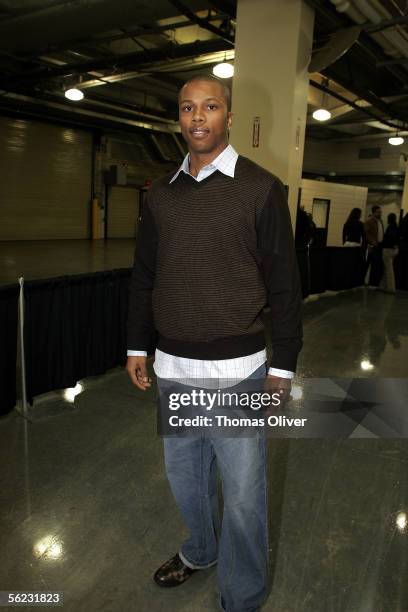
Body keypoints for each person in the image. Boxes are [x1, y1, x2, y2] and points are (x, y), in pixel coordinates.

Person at [126, 74, 303, 612]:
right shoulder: (160, 194)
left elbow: (285, 284)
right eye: (187, 108)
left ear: (229, 117)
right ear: (178, 119)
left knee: (246, 498)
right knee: (187, 482)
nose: (197, 117)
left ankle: (242, 599)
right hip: (174, 367)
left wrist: (285, 365)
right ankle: (200, 551)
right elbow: (144, 274)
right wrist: (137, 346)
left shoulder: (261, 188)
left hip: (239, 370)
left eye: (209, 107)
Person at [364, 205, 384, 286]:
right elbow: (366, 233)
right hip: (372, 245)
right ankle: (365, 281)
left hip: (380, 245)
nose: (380, 213)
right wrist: (372, 242)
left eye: (380, 212)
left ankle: (373, 282)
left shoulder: (380, 221)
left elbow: (381, 232)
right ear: (374, 212)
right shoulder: (369, 221)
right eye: (378, 212)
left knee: (376, 264)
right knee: (369, 264)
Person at [379, 212, 399, 293]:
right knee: (387, 268)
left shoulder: (390, 227)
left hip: (388, 249)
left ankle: (391, 288)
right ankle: (382, 286)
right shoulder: (396, 227)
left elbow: (389, 238)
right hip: (394, 250)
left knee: (389, 270)